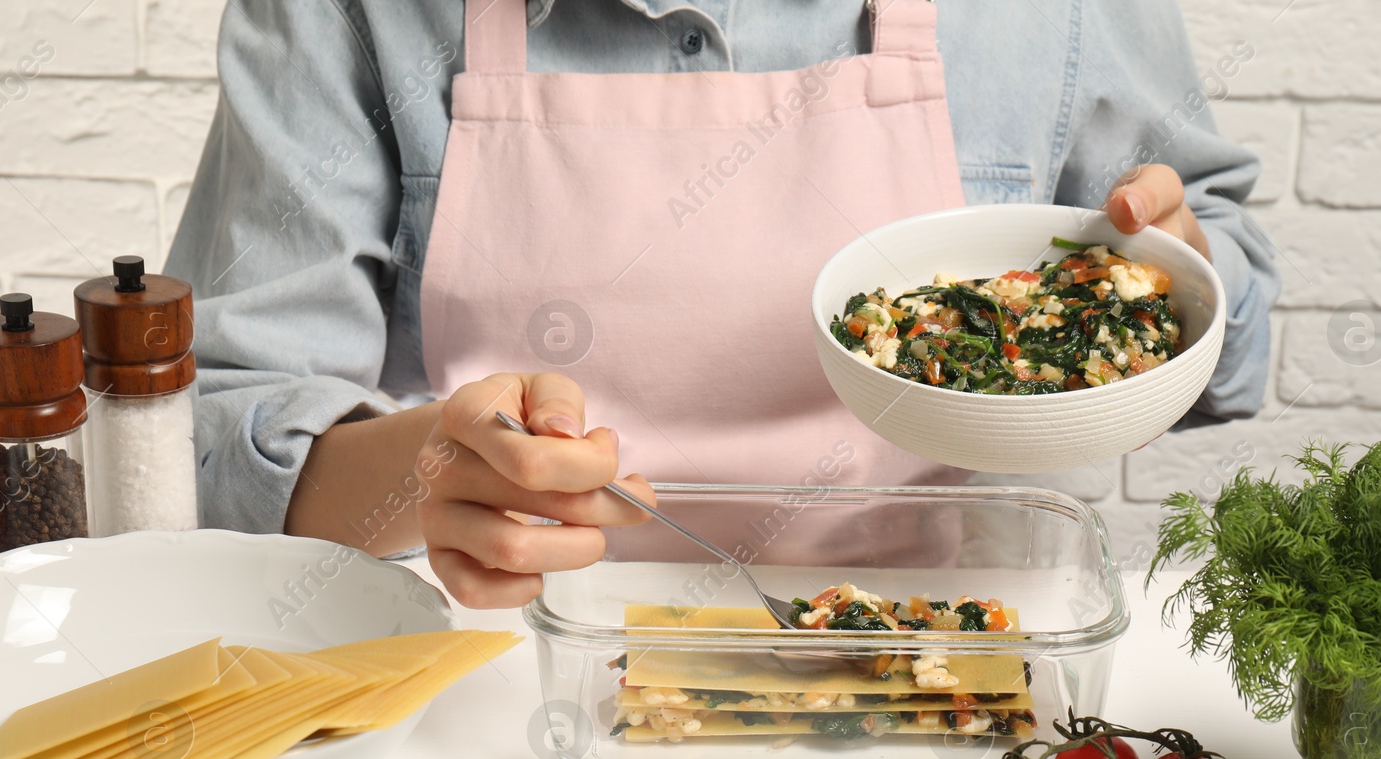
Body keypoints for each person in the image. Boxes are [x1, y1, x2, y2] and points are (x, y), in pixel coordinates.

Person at [166, 0, 1278, 608]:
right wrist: (429, 470)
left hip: (926, 656)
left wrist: (1174, 288)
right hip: (499, 677)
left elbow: (1228, 301)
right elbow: (211, 443)